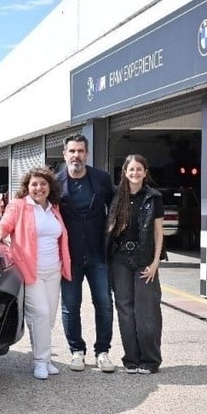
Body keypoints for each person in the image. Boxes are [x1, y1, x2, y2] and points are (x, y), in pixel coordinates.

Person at [0, 166, 72, 380]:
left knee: (49, 316)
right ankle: (40, 362)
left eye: (43, 184)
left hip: (54, 270)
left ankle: (44, 357)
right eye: (34, 184)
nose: (38, 188)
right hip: (30, 270)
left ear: (49, 186)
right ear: (27, 187)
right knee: (40, 314)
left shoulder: (53, 208)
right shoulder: (19, 206)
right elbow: (5, 224)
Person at [55, 134, 117, 373]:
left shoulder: (101, 179)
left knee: (104, 303)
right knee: (71, 306)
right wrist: (1, 223)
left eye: (80, 151)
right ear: (65, 154)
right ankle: (76, 352)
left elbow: (115, 208)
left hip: (98, 255)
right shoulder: (55, 182)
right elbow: (31, 206)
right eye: (72, 151)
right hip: (69, 257)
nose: (76, 156)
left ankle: (103, 351)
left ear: (87, 154)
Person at [106, 154, 164, 374]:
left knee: (147, 311)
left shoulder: (153, 197)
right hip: (120, 259)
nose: (135, 173)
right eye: (131, 169)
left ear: (145, 172)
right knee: (125, 310)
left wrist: (156, 262)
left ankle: (150, 361)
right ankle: (131, 359)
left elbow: (159, 233)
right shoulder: (116, 196)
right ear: (125, 172)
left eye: (139, 169)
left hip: (144, 259)